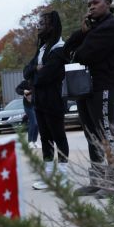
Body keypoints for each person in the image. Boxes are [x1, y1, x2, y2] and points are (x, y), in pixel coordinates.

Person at [62, 0, 114, 196]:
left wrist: (78, 49)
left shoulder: (112, 26)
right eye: (89, 4)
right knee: (91, 134)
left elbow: (82, 55)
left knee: (107, 132)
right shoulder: (92, 28)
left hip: (105, 86)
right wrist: (81, 33)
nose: (91, 7)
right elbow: (68, 50)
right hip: (87, 88)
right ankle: (97, 180)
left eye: (95, 3)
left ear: (107, 3)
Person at [24, 10, 69, 190]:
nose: (38, 26)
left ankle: (63, 177)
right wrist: (36, 67)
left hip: (55, 100)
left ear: (52, 26)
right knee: (45, 139)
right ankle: (49, 176)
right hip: (40, 100)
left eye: (42, 23)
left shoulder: (60, 48)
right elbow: (26, 71)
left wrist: (36, 73)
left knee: (59, 137)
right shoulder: (42, 49)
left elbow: (47, 76)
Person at [16, 79, 39, 149]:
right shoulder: (25, 82)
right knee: (33, 123)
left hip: (35, 105)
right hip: (28, 106)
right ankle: (30, 142)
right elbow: (17, 89)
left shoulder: (36, 80)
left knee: (37, 124)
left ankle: (34, 141)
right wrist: (23, 91)